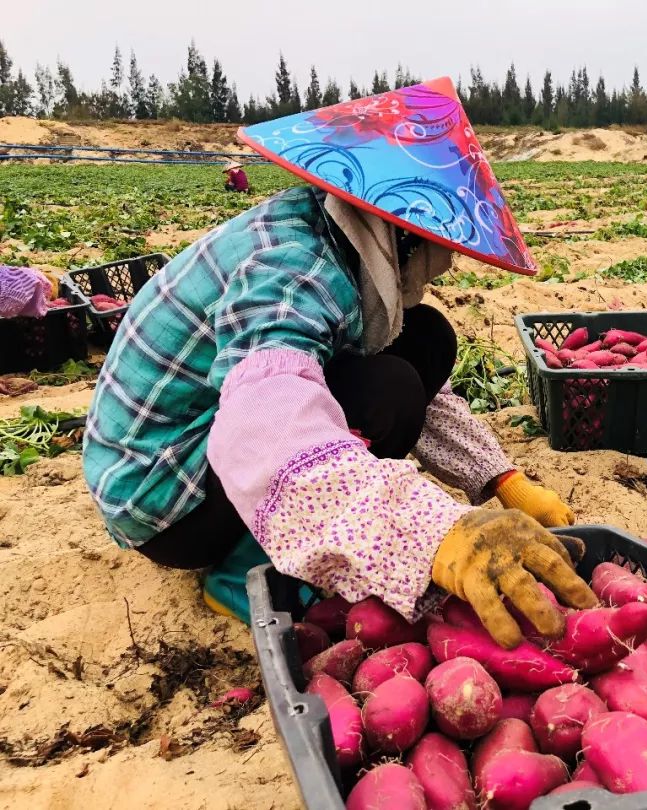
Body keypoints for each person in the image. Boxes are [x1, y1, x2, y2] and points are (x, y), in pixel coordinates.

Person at [83, 77, 597, 647]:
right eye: (435, 247)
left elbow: (416, 386)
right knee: (389, 388)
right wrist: (425, 533)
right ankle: (244, 572)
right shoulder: (297, 270)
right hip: (167, 499)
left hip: (198, 444)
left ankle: (272, 541)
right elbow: (263, 420)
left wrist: (500, 478)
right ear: (399, 231)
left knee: (423, 338)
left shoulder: (333, 231)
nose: (440, 267)